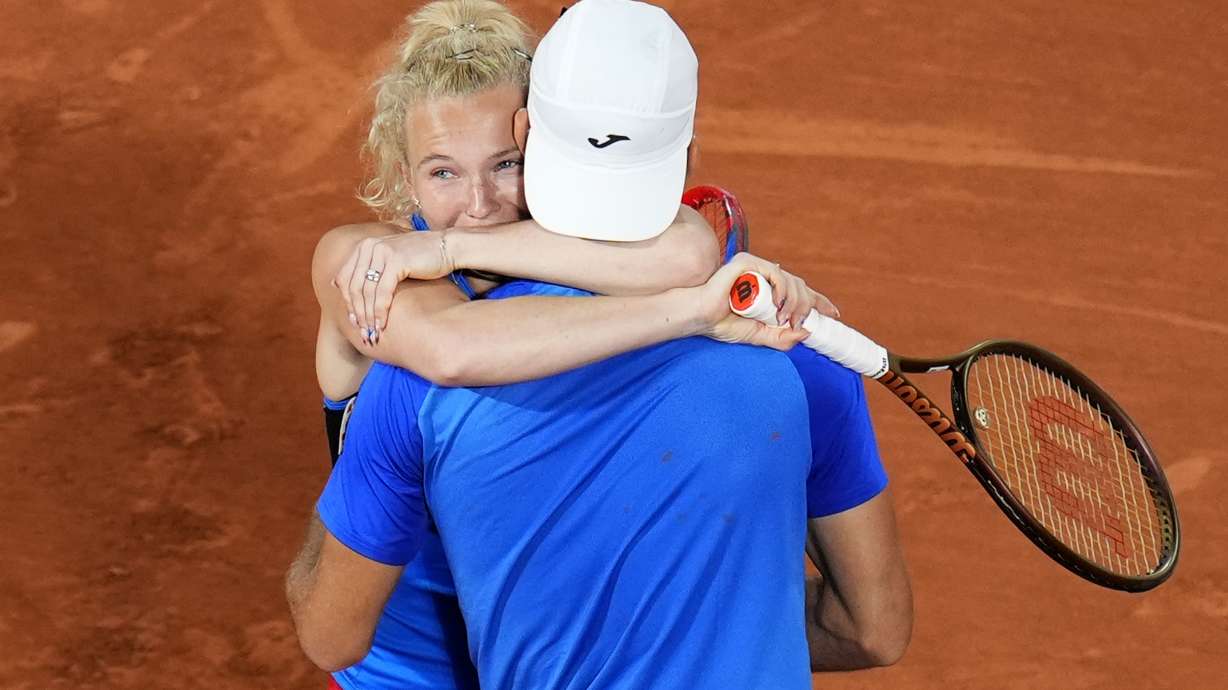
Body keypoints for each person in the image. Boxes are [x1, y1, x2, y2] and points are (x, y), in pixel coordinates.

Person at [288, 1, 912, 688]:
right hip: (409, 669)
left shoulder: (538, 254)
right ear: (403, 176)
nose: (478, 205)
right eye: (442, 172)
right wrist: (696, 313)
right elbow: (450, 348)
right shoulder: (364, 262)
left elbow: (688, 251)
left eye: (506, 164)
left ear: (539, 143)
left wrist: (452, 247)